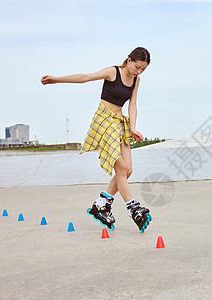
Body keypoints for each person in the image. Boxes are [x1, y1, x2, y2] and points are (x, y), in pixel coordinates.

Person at [41, 47, 152, 232]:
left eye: (143, 69)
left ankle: (102, 203)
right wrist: (56, 79)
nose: (139, 72)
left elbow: (133, 104)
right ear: (129, 60)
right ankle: (132, 207)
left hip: (119, 122)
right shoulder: (112, 72)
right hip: (104, 120)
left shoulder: (135, 80)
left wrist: (132, 127)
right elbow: (85, 77)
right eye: (137, 67)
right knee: (121, 168)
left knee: (128, 170)